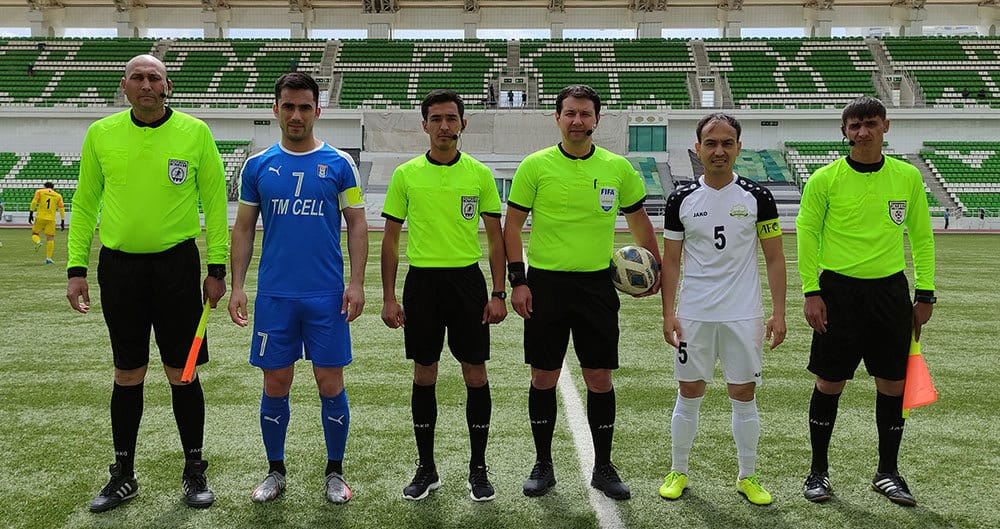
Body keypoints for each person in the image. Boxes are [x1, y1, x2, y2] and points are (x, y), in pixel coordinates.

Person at [66, 54, 228, 513]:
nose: (146, 84)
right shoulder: (101, 134)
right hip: (120, 270)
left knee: (184, 373)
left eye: (154, 77)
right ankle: (123, 475)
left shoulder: (195, 134)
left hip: (177, 268)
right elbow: (84, 203)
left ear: (168, 86)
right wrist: (75, 268)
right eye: (137, 77)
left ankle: (194, 470)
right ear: (124, 85)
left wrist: (217, 271)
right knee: (128, 373)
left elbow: (215, 205)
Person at [503, 84, 661, 501]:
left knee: (599, 377)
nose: (577, 121)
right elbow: (512, 228)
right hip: (545, 285)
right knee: (543, 376)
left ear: (597, 119)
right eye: (570, 113)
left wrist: (654, 268)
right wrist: (518, 281)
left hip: (596, 286)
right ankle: (543, 464)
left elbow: (640, 222)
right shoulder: (534, 166)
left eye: (585, 114)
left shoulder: (618, 168)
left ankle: (604, 466)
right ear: (557, 118)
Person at [228, 72, 368, 505]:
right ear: (276, 109)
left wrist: (357, 282)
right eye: (288, 106)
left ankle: (335, 472)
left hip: (326, 295)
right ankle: (275, 471)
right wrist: (237, 286)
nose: (296, 115)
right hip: (275, 295)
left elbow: (358, 223)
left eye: (304, 107)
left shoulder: (340, 164)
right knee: (276, 383)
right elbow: (245, 228)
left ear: (317, 111)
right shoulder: (258, 166)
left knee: (330, 381)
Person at [797, 96, 935, 507]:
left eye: (870, 123)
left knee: (892, 385)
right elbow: (807, 235)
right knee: (829, 382)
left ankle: (887, 472)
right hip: (837, 292)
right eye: (855, 125)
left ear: (885, 127)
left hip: (890, 293)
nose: (863, 131)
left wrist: (924, 292)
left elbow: (922, 237)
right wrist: (811, 291)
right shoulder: (825, 179)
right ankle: (818, 471)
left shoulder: (907, 177)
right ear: (844, 131)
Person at [380, 89, 507, 502]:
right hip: (423, 285)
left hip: (467, 284)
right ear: (424, 125)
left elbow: (494, 239)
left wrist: (498, 292)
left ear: (463, 124)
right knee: (424, 372)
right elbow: (391, 241)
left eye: (451, 118)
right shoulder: (406, 175)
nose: (444, 126)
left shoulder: (480, 175)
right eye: (436, 119)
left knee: (476, 373)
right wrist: (388, 297)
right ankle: (426, 468)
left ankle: (478, 469)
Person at [658, 113, 786, 506]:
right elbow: (672, 262)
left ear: (738, 148)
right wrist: (668, 313)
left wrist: (778, 313)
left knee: (743, 393)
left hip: (742, 314)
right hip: (694, 312)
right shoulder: (680, 198)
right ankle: (679, 469)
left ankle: (747, 476)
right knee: (690, 390)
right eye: (711, 143)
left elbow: (775, 259)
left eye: (727, 143)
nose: (718, 151)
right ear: (698, 148)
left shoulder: (758, 197)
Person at [28, 181, 64, 264]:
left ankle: (38, 242)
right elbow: (61, 208)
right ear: (53, 188)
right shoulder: (58, 195)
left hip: (40, 217)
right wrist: (62, 221)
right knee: (50, 238)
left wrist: (31, 213)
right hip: (51, 219)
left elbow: (34, 202)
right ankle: (48, 258)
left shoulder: (40, 192)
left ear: (45, 186)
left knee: (35, 233)